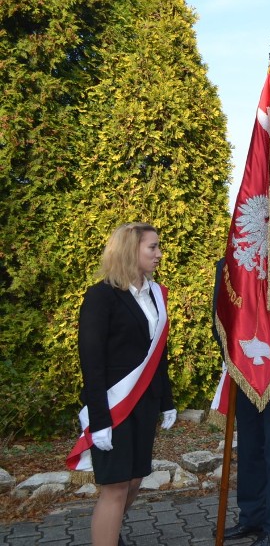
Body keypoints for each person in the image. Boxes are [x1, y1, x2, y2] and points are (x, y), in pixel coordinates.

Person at [77, 222, 176, 546]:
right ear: (130, 250)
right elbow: (91, 363)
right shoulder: (101, 296)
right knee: (115, 486)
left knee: (134, 480)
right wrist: (100, 420)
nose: (159, 253)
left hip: (143, 403)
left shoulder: (155, 295)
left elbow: (158, 354)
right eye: (152, 247)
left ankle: (109, 532)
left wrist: (167, 401)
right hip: (114, 406)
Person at [214, 257, 270, 546]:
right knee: (250, 446)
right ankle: (252, 517)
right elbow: (218, 315)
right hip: (244, 370)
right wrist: (233, 358)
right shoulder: (229, 263)